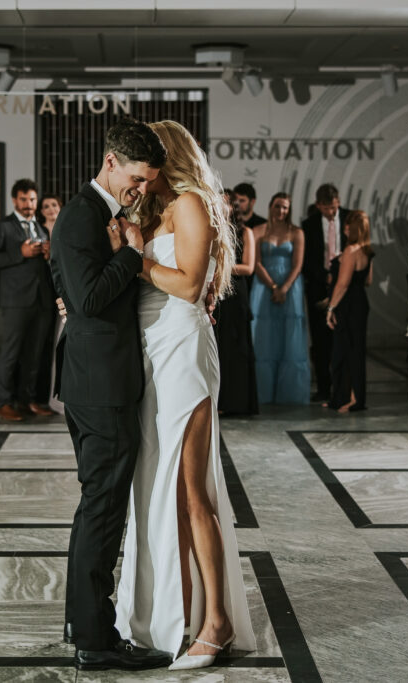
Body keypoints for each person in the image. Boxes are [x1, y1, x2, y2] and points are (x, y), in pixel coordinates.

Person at [113, 119, 256, 671]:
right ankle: (173, 614)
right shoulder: (150, 210)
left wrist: (137, 260)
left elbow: (190, 284)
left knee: (192, 489)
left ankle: (215, 621)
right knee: (157, 492)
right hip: (150, 348)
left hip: (182, 347)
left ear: (165, 155)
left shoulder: (192, 202)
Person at [49, 117, 174, 672]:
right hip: (100, 388)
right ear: (110, 162)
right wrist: (133, 251)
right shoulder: (82, 215)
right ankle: (97, 640)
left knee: (97, 507)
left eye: (147, 182)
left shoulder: (98, 214)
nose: (140, 189)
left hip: (100, 378)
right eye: (136, 178)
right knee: (102, 508)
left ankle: (84, 623)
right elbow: (89, 300)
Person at [0, 178, 56, 421]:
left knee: (34, 354)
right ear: (15, 200)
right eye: (24, 199)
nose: (29, 204)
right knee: (11, 353)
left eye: (33, 199)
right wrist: (20, 252)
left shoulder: (41, 228)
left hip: (42, 300)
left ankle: (28, 400)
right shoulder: (2, 226)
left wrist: (49, 256)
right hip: (15, 300)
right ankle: (5, 402)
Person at [250, 192, 311, 404]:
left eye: (285, 207)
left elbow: (298, 264)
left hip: (290, 287)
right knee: (263, 338)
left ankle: (290, 394)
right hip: (263, 286)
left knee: (290, 338)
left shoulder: (297, 233)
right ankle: (262, 393)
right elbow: (255, 263)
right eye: (278, 206)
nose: (281, 211)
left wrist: (284, 288)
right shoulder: (257, 231)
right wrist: (273, 286)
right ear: (270, 206)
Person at [301, 183, 349, 401]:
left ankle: (344, 387)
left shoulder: (349, 218)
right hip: (318, 287)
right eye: (327, 209)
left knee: (344, 339)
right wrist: (323, 275)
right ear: (318, 205)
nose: (331, 213)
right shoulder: (308, 225)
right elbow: (307, 260)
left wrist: (340, 274)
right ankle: (323, 388)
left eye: (334, 208)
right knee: (320, 341)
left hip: (345, 284)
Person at [214, 190, 258, 415]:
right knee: (219, 348)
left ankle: (238, 402)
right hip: (217, 291)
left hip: (236, 292)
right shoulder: (212, 228)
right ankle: (220, 402)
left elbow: (248, 267)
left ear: (233, 208)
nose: (221, 208)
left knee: (237, 348)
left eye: (226, 204)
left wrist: (220, 267)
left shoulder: (246, 232)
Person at [325, 210, 374, 413]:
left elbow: (342, 284)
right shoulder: (367, 251)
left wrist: (330, 307)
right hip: (360, 303)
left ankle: (348, 398)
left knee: (343, 353)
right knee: (355, 351)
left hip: (347, 305)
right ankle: (349, 397)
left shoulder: (351, 251)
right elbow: (368, 281)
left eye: (347, 225)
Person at [38, 193, 65, 414]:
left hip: (63, 291)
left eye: (53, 205)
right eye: (45, 206)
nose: (50, 209)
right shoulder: (38, 232)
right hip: (43, 293)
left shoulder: (66, 227)